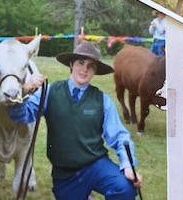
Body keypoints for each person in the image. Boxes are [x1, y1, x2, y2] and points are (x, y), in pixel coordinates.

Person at [8, 41, 143, 200]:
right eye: (80, 63)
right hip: (65, 173)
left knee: (124, 188)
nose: (84, 69)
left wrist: (128, 165)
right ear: (71, 64)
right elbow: (20, 115)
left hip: (96, 165)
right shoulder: (50, 92)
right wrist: (23, 91)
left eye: (91, 65)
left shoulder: (102, 100)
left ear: (95, 71)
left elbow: (120, 136)